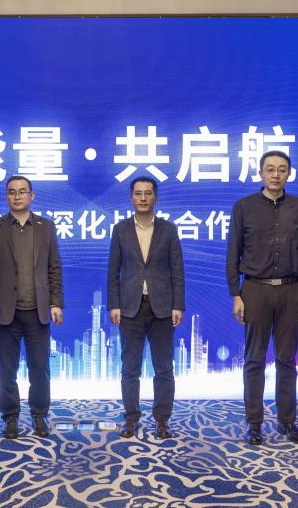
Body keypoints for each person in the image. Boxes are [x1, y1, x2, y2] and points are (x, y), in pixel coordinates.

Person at [226, 151, 298, 446]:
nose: (276, 174)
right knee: (254, 359)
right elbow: (232, 254)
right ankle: (254, 423)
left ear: (289, 173)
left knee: (287, 360)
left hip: (291, 290)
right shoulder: (244, 207)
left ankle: (287, 421)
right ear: (260, 173)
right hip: (255, 290)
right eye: (270, 169)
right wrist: (236, 294)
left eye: (281, 169)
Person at [0, 175, 64, 439]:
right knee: (7, 371)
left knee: (39, 369)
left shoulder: (46, 227)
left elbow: (54, 267)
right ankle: (11, 418)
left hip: (38, 311)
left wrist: (56, 302)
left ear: (32, 196)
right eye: (12, 192)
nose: (17, 196)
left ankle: (39, 415)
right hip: (5, 312)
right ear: (6, 196)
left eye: (22, 191)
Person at [107, 176, 185, 440]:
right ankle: (131, 418)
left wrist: (178, 305)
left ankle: (162, 420)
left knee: (164, 368)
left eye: (148, 193)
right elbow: (113, 271)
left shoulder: (168, 229)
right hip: (130, 308)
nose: (143, 198)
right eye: (138, 193)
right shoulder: (120, 229)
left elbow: (177, 270)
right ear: (131, 197)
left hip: (162, 308)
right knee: (130, 368)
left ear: (155, 197)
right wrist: (114, 304)